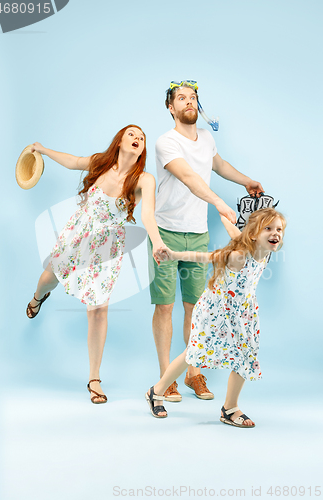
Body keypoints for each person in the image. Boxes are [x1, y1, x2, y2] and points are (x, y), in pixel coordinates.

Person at [26, 125, 166, 404]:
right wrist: (42, 150)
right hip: (77, 235)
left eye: (142, 138)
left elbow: (148, 214)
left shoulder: (144, 180)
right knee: (47, 278)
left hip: (106, 247)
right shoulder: (100, 163)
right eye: (132, 135)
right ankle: (37, 298)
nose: (137, 139)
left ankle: (94, 378)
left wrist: (158, 241)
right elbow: (71, 161)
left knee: (98, 309)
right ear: (120, 140)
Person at [149, 80, 265, 402]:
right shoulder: (165, 142)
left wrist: (246, 181)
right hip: (167, 231)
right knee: (165, 305)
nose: (188, 102)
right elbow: (189, 177)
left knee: (195, 307)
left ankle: (192, 374)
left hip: (198, 233)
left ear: (198, 107)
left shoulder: (207, 139)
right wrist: (218, 202)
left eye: (193, 98)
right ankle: (165, 378)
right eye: (181, 98)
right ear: (171, 107)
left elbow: (219, 165)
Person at [145, 207, 286, 426]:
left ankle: (230, 408)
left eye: (278, 229)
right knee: (194, 353)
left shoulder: (262, 250)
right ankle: (157, 391)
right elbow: (206, 256)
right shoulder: (239, 256)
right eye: (268, 228)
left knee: (245, 356)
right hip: (215, 311)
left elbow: (235, 234)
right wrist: (173, 255)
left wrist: (224, 218)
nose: (275, 233)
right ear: (254, 234)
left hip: (243, 313)